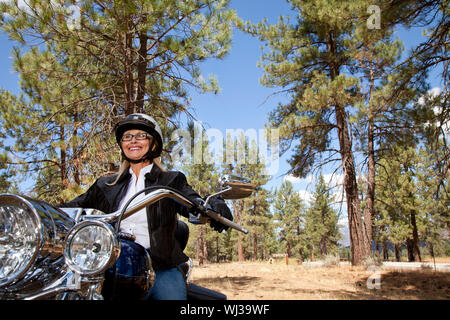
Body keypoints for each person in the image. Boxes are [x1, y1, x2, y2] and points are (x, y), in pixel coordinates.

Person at [61, 113, 233, 300]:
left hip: (160, 267)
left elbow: (192, 202)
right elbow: (70, 208)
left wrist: (212, 205)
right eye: (127, 136)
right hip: (111, 264)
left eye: (141, 135)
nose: (133, 140)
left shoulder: (170, 180)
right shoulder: (105, 186)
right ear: (121, 144)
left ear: (154, 144)